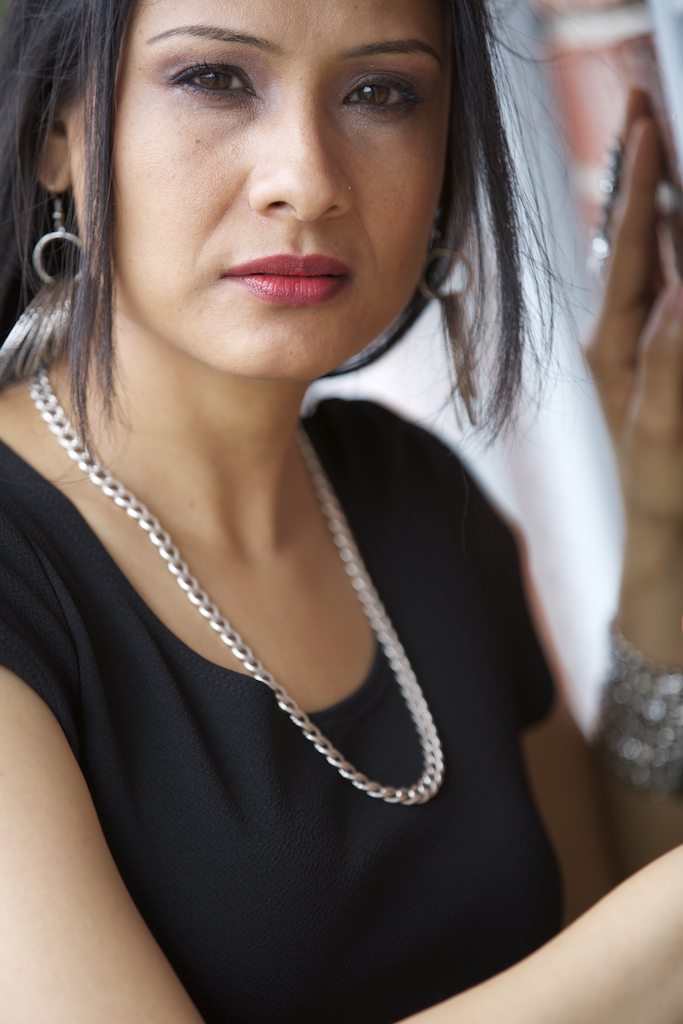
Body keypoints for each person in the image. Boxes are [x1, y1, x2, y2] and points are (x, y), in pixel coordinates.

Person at [0, 0, 682, 1021]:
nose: (307, 179)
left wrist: (661, 522)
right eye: (215, 79)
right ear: (58, 129)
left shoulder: (413, 492)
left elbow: (603, 931)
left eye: (381, 92)